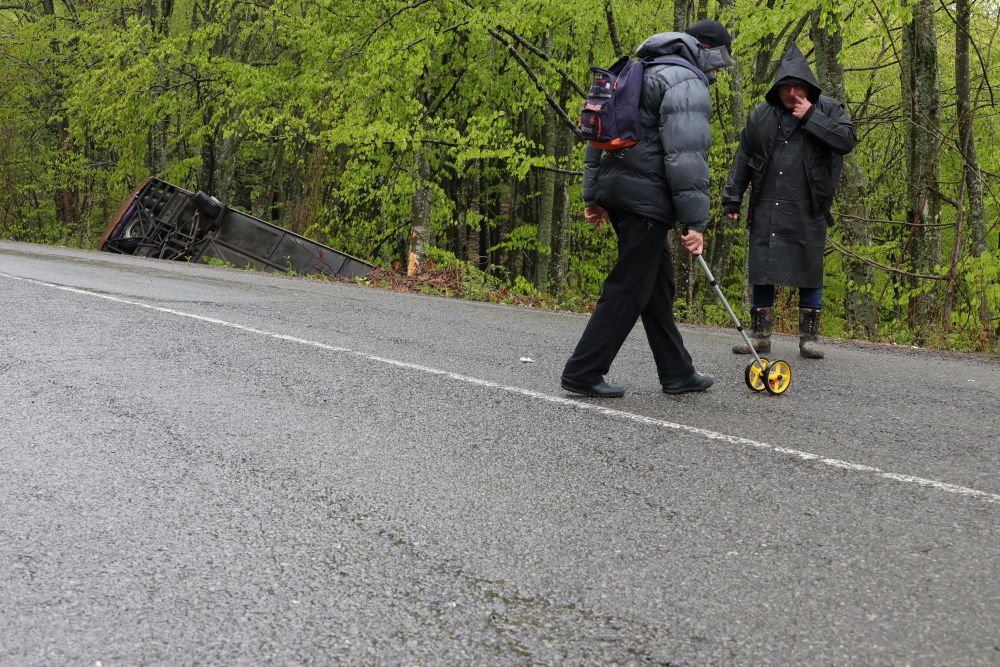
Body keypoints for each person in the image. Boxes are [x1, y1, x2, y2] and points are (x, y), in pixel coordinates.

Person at [560, 20, 733, 398]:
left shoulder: (636, 69)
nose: (719, 70)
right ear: (705, 49)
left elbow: (596, 135)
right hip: (647, 198)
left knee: (656, 284)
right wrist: (694, 221)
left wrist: (594, 196)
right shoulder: (685, 82)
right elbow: (687, 158)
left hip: (621, 191)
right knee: (630, 286)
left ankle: (677, 372)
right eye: (720, 61)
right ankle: (583, 370)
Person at [722, 44, 856, 358]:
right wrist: (732, 198)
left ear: (808, 87)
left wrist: (810, 116)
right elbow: (743, 156)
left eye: (797, 86)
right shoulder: (761, 114)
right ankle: (760, 335)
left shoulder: (829, 109)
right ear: (778, 87)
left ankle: (809, 339)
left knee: (809, 267)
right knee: (762, 268)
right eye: (786, 86)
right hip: (767, 202)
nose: (791, 92)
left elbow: (846, 140)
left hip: (809, 204)